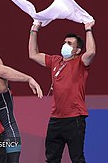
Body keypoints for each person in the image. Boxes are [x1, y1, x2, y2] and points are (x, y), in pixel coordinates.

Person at [28, 21, 96, 163]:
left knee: (77, 159)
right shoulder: (55, 60)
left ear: (77, 50)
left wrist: (88, 29)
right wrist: (34, 30)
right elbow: (33, 54)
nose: (65, 45)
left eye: (70, 43)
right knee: (51, 159)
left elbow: (91, 52)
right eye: (65, 42)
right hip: (56, 120)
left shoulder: (81, 63)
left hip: (75, 119)